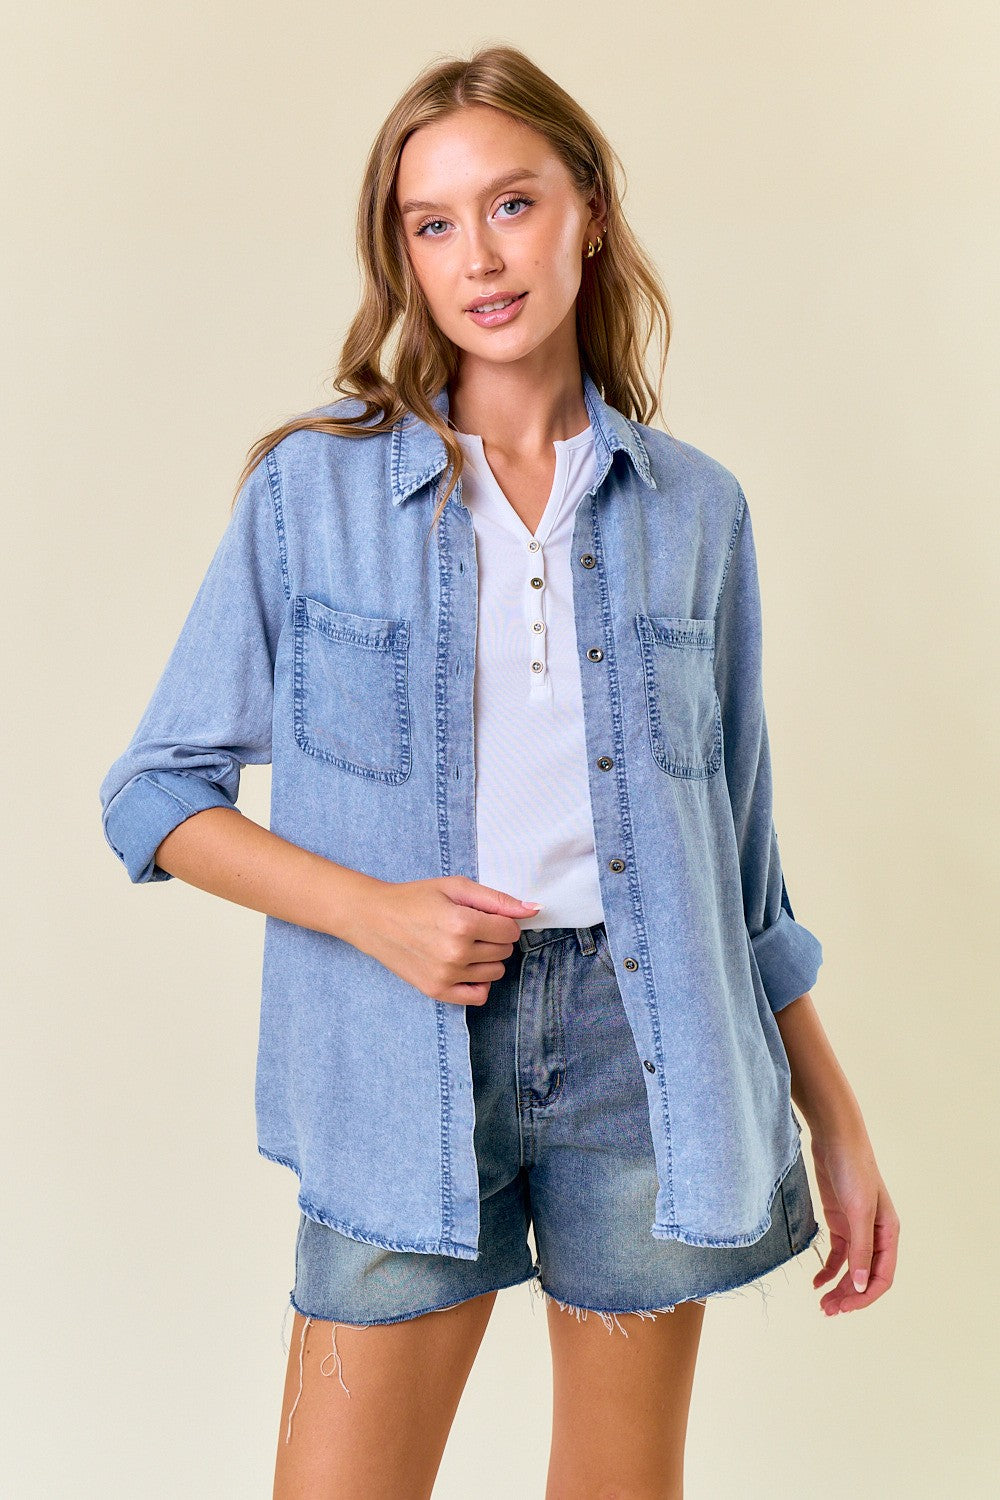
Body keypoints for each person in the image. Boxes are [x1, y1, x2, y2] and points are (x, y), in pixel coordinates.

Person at [98, 44, 899, 1500]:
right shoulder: (313, 493)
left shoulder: (695, 512)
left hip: (643, 1053)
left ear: (589, 212)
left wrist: (831, 1118)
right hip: (396, 1048)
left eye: (512, 204)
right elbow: (155, 796)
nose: (478, 256)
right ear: (403, 257)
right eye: (434, 222)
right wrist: (377, 914)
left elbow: (743, 870)